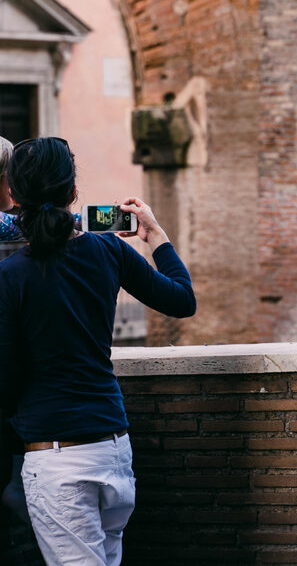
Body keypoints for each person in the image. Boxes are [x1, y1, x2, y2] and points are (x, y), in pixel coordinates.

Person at [0, 136, 196, 565]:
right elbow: (183, 300)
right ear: (73, 193)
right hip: (113, 446)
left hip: (57, 460)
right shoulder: (109, 248)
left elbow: (7, 378)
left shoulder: (10, 276)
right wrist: (155, 235)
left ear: (13, 196)